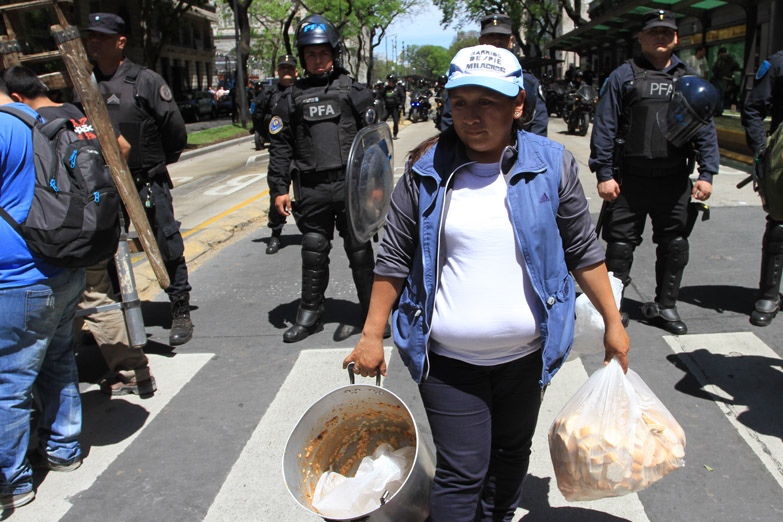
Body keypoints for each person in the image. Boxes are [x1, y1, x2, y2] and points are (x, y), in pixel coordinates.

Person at [344, 45, 629, 522]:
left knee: (511, 459)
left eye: (487, 103)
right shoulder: (423, 171)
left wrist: (613, 322)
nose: (472, 117)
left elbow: (583, 250)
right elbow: (393, 258)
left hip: (528, 358)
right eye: (460, 103)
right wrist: (373, 334)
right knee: (462, 472)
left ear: (517, 105)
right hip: (450, 361)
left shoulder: (551, 164)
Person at [3, 65, 156, 398]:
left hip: (63, 230)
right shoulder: (77, 111)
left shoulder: (29, 125)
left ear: (16, 98)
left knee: (93, 294)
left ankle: (133, 369)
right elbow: (123, 148)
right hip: (100, 218)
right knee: (77, 297)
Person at [589, 9, 720, 335]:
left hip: (674, 178)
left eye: (667, 32)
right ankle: (614, 309)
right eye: (654, 32)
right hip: (629, 179)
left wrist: (707, 173)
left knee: (675, 244)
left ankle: (666, 305)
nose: (660, 37)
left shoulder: (688, 78)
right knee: (619, 245)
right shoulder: (623, 76)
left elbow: (705, 127)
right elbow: (604, 126)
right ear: (641, 37)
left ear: (675, 38)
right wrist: (604, 173)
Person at [267, 14, 382, 343]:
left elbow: (375, 141)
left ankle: (372, 315)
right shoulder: (290, 99)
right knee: (313, 249)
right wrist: (278, 189)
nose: (317, 60)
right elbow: (280, 148)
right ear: (303, 58)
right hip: (311, 188)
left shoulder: (354, 92)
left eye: (323, 53)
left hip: (351, 187)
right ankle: (311, 314)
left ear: (334, 53)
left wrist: (375, 187)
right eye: (310, 54)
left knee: (359, 249)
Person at [0, 77, 86, 510]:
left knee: (9, 381)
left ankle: (13, 480)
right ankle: (64, 449)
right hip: (62, 267)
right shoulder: (38, 119)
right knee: (58, 359)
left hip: (17, 278)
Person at [84, 12, 193, 346]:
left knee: (166, 242)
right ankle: (113, 319)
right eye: (92, 36)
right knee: (104, 251)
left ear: (120, 42)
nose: (94, 42)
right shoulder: (84, 83)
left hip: (146, 180)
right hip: (103, 183)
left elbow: (175, 131)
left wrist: (156, 163)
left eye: (102, 37)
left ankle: (180, 309)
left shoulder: (144, 80)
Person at [440, 13, 548, 137]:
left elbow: (538, 124)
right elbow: (449, 121)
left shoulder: (527, 82)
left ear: (511, 41)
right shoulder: (464, 79)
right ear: (481, 41)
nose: (496, 41)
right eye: (490, 36)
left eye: (502, 36)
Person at [741, 50, 783, 326]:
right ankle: (769, 293)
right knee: (780, 223)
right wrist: (760, 152)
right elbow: (753, 108)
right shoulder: (779, 63)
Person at [255, 55, 298, 254]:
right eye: (283, 68)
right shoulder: (269, 94)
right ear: (278, 71)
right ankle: (276, 233)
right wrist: (271, 138)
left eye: (290, 68)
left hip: (301, 150)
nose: (287, 71)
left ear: (296, 71)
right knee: (277, 191)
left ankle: (310, 230)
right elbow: (258, 118)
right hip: (279, 149)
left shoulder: (303, 91)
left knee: (307, 192)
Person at [711, 47, 740, 116]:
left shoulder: (720, 59)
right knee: (724, 96)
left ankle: (718, 111)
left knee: (719, 95)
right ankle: (721, 110)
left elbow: (715, 70)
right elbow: (737, 66)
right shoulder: (731, 59)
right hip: (729, 80)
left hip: (720, 79)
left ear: (720, 53)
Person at [382, 73, 405, 139]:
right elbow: (381, 95)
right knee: (382, 120)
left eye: (390, 81)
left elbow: (403, 97)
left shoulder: (399, 89)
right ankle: (382, 134)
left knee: (395, 121)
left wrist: (401, 105)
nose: (389, 82)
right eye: (388, 81)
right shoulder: (386, 89)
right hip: (387, 108)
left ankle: (395, 134)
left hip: (395, 108)